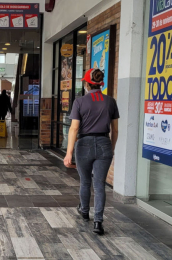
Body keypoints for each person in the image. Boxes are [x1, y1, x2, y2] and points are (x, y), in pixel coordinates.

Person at [63, 68, 119, 235]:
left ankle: (85, 211)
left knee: (85, 181)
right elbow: (115, 130)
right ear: (100, 84)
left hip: (84, 144)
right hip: (104, 143)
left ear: (87, 84)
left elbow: (74, 129)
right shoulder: (111, 101)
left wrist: (68, 153)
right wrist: (112, 148)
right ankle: (98, 222)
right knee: (100, 184)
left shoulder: (79, 102)